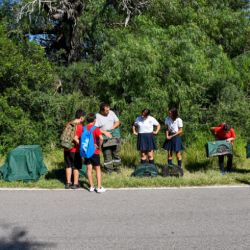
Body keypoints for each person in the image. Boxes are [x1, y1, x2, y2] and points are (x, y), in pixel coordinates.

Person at [95, 103, 121, 173]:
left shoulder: (111, 112)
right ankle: (109, 169)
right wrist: (105, 132)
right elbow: (95, 128)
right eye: (106, 111)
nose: (108, 112)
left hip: (114, 135)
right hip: (105, 137)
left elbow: (118, 122)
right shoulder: (97, 116)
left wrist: (112, 128)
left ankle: (117, 168)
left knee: (116, 153)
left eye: (108, 110)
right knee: (107, 153)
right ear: (102, 111)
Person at [64, 109, 85, 189]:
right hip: (74, 149)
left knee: (68, 165)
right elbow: (76, 138)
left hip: (66, 148)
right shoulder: (79, 126)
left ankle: (68, 183)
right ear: (81, 117)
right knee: (76, 166)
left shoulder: (69, 123)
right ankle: (75, 183)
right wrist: (81, 146)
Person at [84, 113, 105, 193]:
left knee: (89, 168)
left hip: (86, 151)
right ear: (95, 120)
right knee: (97, 168)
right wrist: (99, 146)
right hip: (94, 151)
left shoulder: (84, 128)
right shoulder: (95, 129)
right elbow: (101, 138)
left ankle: (91, 186)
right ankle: (99, 187)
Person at [163, 107, 184, 175]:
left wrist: (172, 136)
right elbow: (167, 129)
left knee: (178, 153)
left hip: (176, 136)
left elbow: (180, 131)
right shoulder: (167, 119)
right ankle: (170, 168)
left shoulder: (179, 120)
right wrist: (167, 136)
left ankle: (179, 168)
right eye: (169, 113)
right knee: (169, 153)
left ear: (174, 113)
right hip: (169, 136)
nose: (169, 114)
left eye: (170, 113)